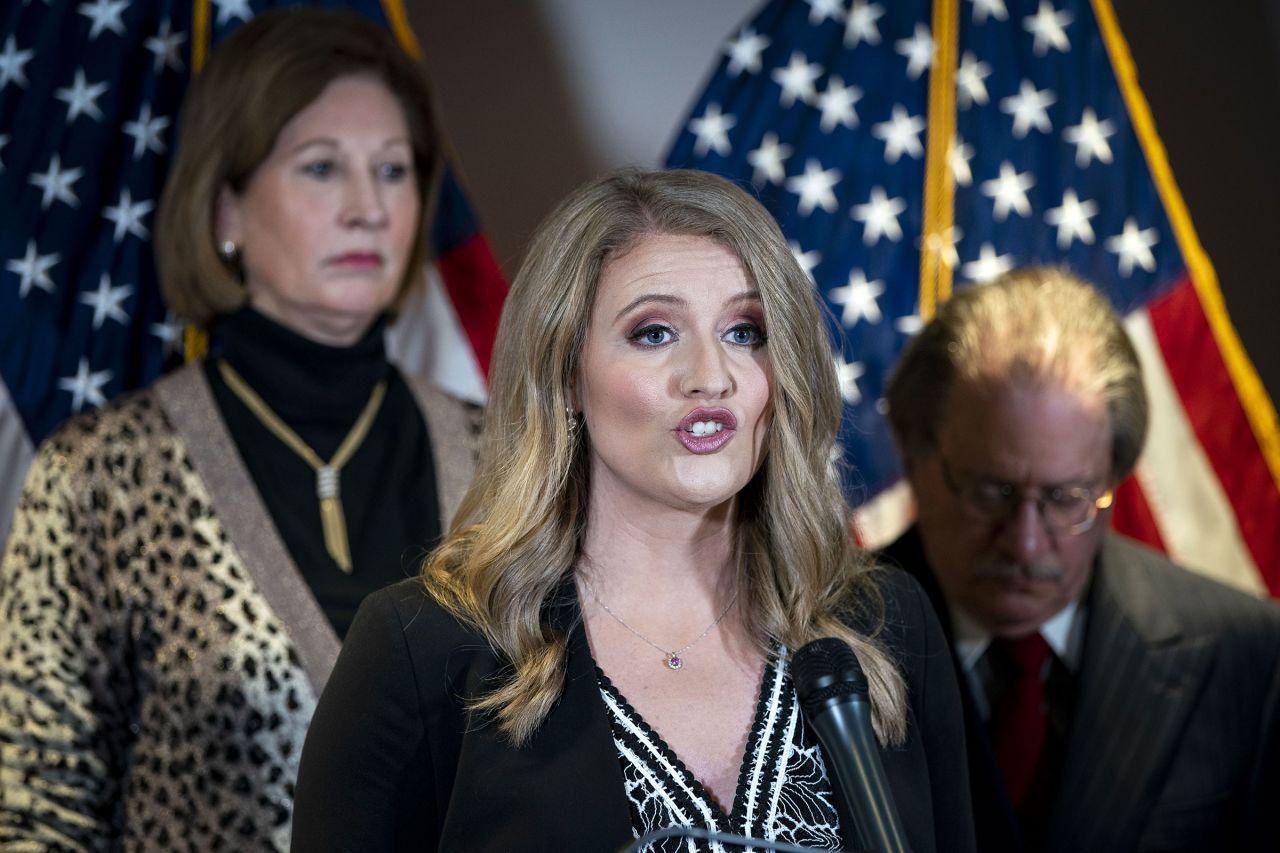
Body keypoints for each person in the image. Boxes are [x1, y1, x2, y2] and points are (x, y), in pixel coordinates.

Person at [290, 168, 976, 852]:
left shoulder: (884, 625)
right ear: (565, 376)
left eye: (745, 331)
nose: (711, 375)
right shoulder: (424, 648)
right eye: (654, 333)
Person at [0, 9, 479, 850]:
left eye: (394, 170)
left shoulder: (508, 459)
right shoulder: (100, 475)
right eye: (323, 167)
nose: (369, 209)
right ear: (226, 207)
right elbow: (36, 813)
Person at [881, 267, 1280, 853]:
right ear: (917, 460)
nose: (1025, 544)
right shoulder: (804, 645)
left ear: (1114, 475)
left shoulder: (1247, 657)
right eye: (991, 492)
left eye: (1067, 498)